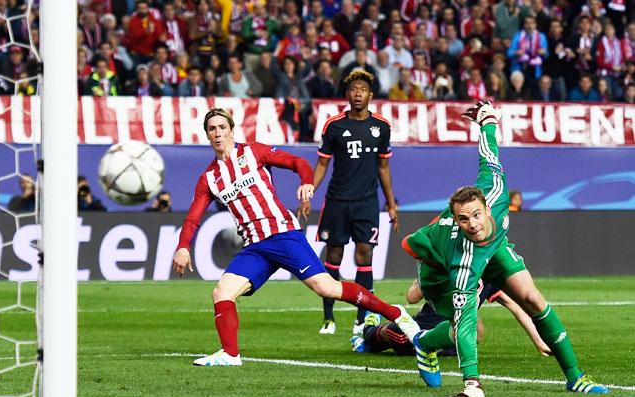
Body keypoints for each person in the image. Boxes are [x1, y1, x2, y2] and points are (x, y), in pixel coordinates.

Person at [172, 107, 419, 366]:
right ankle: (230, 354)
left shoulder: (254, 152)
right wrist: (183, 246)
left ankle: (396, 313)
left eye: (222, 127)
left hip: (283, 234)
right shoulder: (209, 178)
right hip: (255, 246)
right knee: (222, 292)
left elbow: (297, 163)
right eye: (212, 129)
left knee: (327, 287)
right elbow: (192, 218)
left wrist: (306, 181)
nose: (218, 133)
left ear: (232, 130)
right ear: (207, 135)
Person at [402, 101, 610, 397]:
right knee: (463, 321)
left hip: (494, 247)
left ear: (487, 208)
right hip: (437, 268)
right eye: (463, 219)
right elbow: (410, 244)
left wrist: (487, 121)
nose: (472, 223)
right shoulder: (463, 260)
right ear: (456, 220)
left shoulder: (496, 190)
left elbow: (488, 154)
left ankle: (575, 377)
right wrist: (471, 384)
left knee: (533, 299)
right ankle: (424, 343)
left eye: (476, 215)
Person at [298, 70, 398, 336]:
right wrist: (309, 192)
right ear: (347, 93)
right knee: (334, 256)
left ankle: (361, 318)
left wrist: (391, 204)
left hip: (367, 202)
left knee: (365, 255)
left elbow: (384, 167)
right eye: (353, 89)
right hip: (337, 201)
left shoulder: (381, 127)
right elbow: (322, 163)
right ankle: (328, 318)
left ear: (370, 95)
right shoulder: (334, 125)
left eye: (362, 90)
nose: (358, 94)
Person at [351, 278, 551, 359]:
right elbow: (411, 297)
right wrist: (423, 277)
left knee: (469, 338)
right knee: (400, 337)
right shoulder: (447, 265)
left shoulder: (490, 275)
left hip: (449, 340)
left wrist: (539, 342)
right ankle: (368, 330)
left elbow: (514, 306)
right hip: (419, 329)